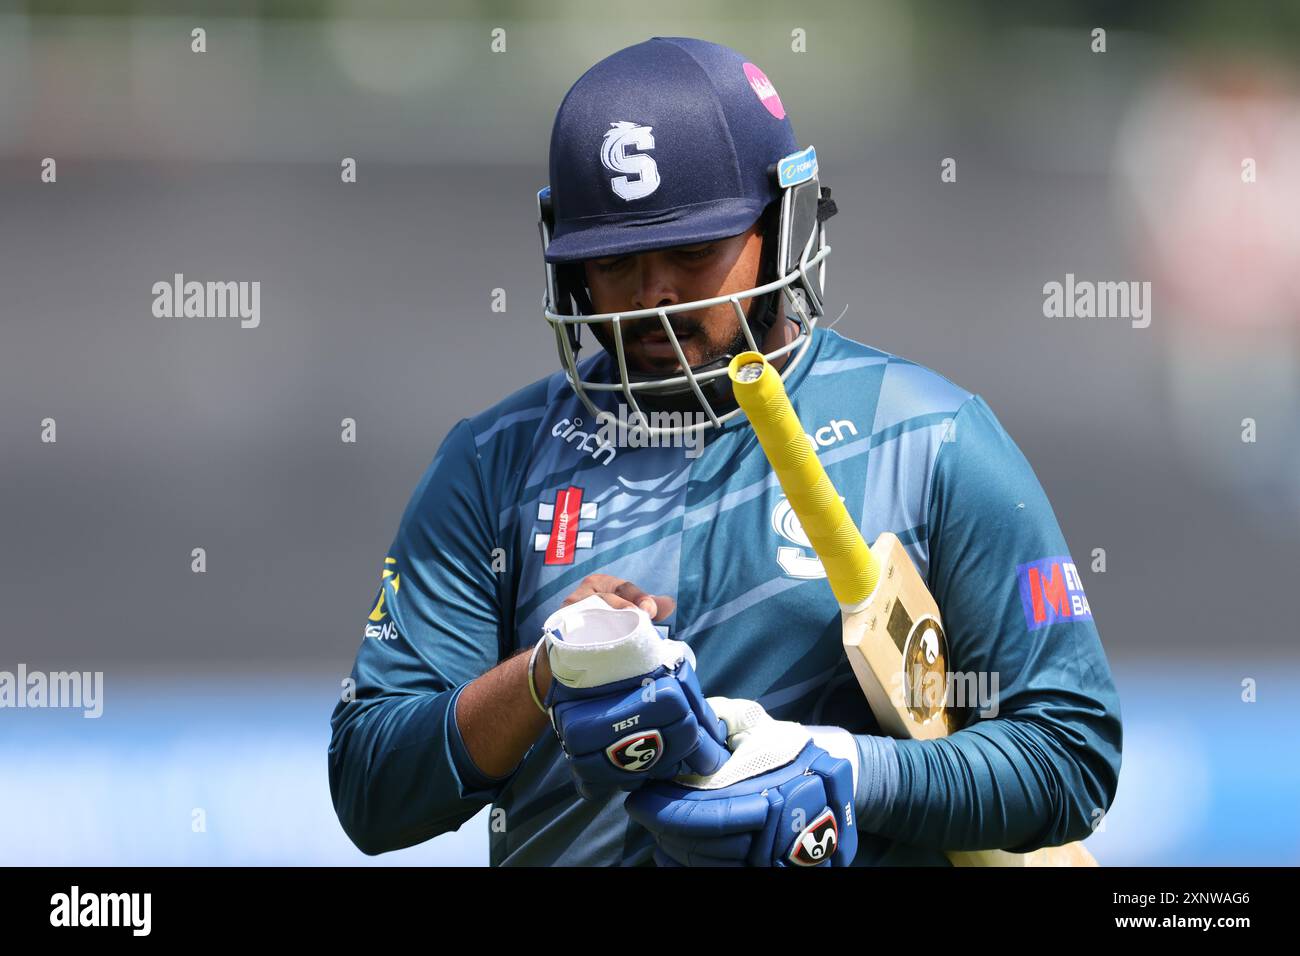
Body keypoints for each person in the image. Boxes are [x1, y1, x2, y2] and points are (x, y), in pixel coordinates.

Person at [328, 36, 1121, 866]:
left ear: (782, 222)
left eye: (694, 252)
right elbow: (370, 789)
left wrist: (848, 769)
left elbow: (1072, 757)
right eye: (614, 261)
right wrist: (543, 677)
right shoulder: (495, 462)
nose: (653, 293)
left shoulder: (929, 437)